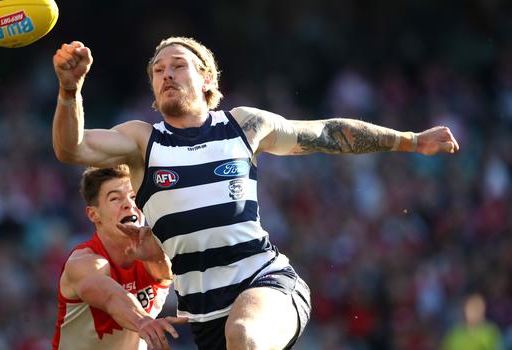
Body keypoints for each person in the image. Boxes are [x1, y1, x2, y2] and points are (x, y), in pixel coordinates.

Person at [51, 37, 460, 350]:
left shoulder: (242, 125)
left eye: (179, 65)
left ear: (207, 78)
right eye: (158, 70)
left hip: (266, 282)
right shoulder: (143, 141)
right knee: (235, 336)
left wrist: (408, 139)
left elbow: (324, 133)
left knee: (244, 333)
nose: (167, 75)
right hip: (204, 320)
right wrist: (70, 92)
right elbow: (72, 148)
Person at [52, 165, 186, 350]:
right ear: (94, 214)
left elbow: (165, 272)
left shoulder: (157, 256)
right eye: (115, 198)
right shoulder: (83, 263)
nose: (128, 204)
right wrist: (142, 321)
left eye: (133, 196)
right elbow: (110, 297)